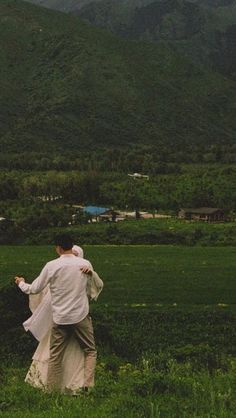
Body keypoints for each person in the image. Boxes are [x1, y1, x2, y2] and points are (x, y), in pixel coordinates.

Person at [15, 234, 103, 394]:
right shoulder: (85, 264)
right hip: (80, 316)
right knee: (90, 351)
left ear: (58, 248)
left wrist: (21, 283)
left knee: (55, 355)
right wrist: (91, 274)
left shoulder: (51, 266)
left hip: (60, 318)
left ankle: (52, 391)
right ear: (72, 245)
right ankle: (87, 387)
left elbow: (34, 289)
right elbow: (96, 287)